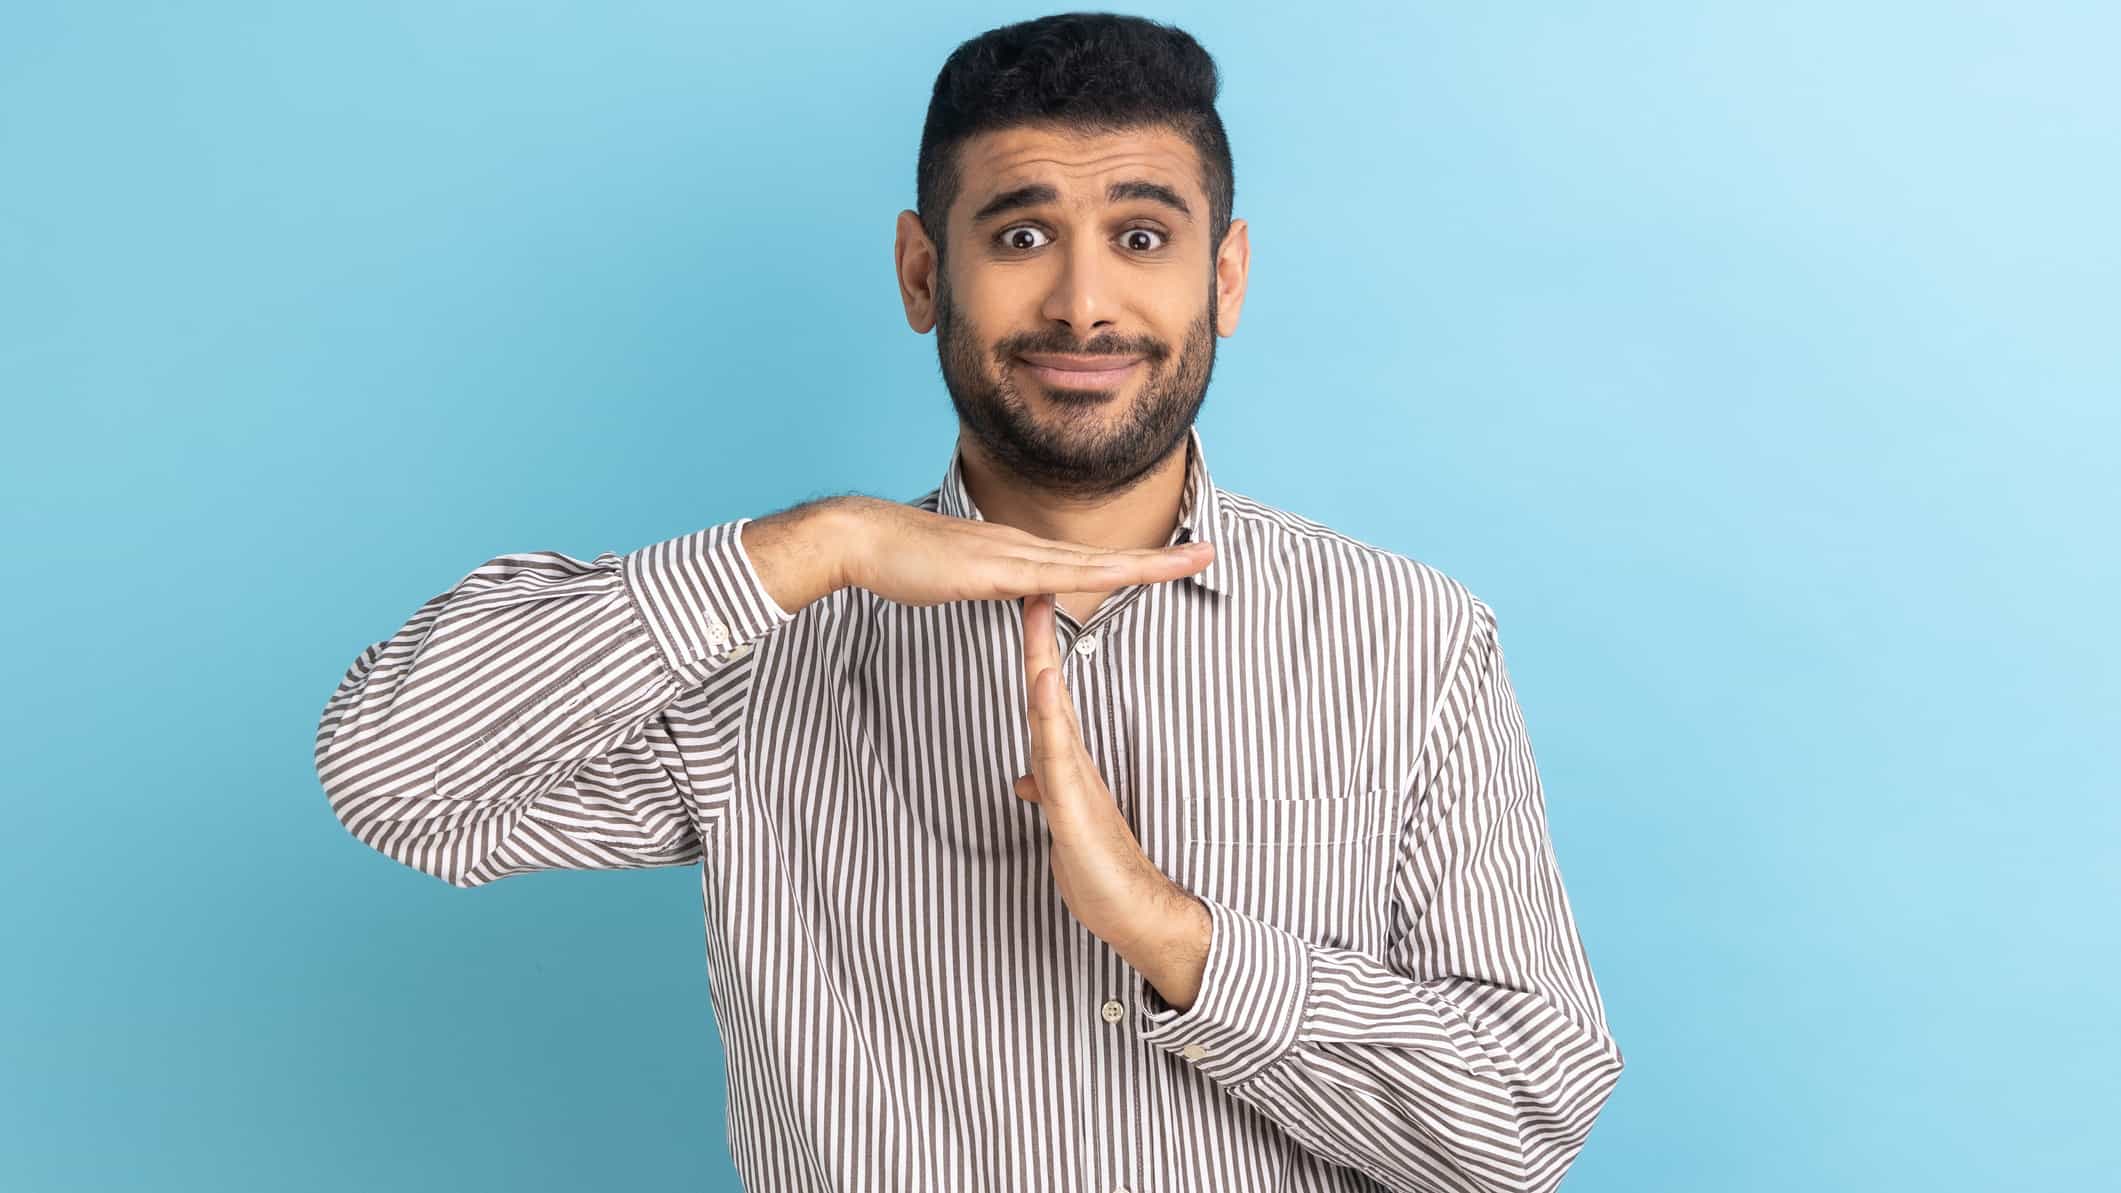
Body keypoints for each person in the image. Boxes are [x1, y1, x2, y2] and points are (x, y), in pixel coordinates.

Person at [312, 12, 1623, 1192]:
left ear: (1222, 276)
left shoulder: (1408, 636)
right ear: (921, 271)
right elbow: (393, 777)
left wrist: (1180, 941)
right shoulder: (763, 646)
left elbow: (1518, 1123)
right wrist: (813, 547)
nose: (1083, 301)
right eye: (1020, 234)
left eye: (1142, 236)